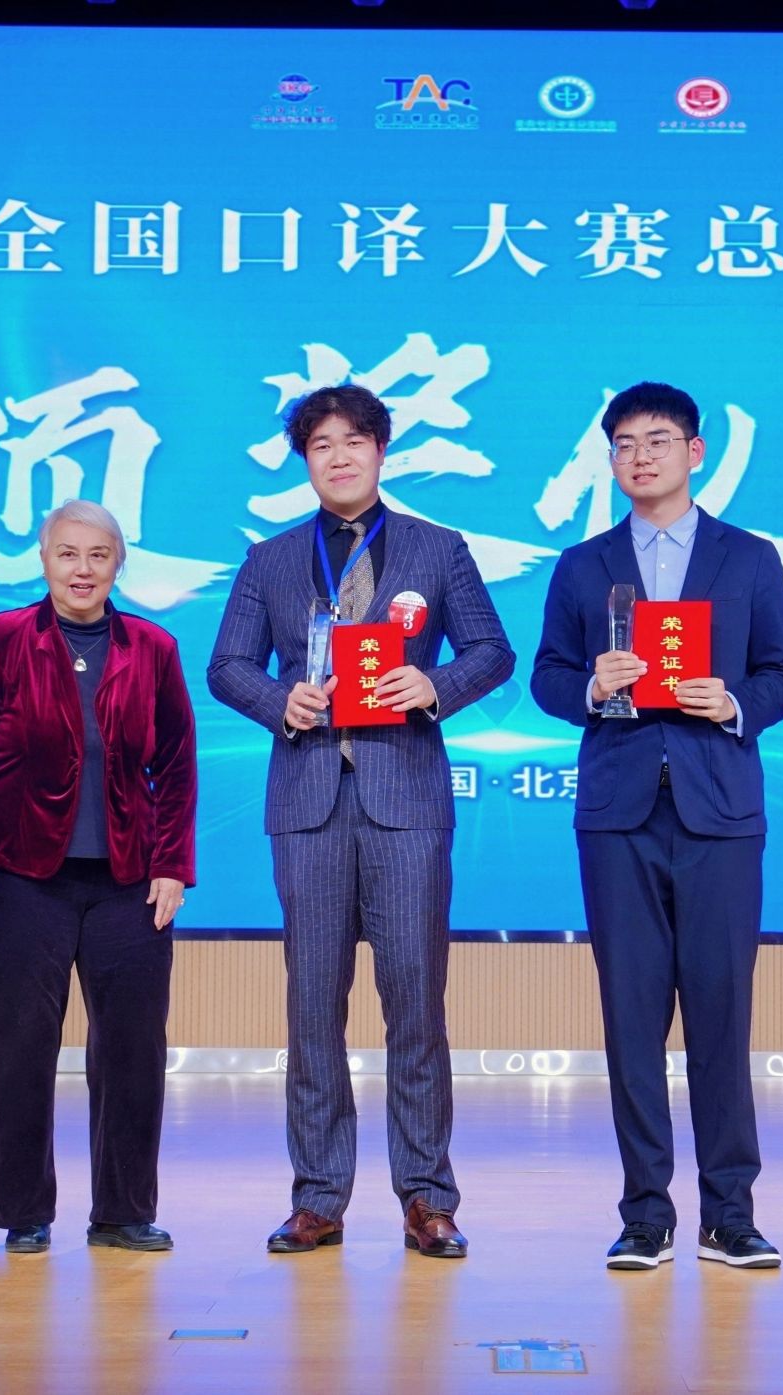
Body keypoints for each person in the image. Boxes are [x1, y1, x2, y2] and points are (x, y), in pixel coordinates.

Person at [207, 384, 514, 1260]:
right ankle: (317, 1197)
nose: (338, 456)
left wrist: (434, 684)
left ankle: (427, 1197)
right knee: (312, 1006)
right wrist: (281, 699)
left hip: (406, 800)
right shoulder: (270, 559)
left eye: (354, 441)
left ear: (381, 450)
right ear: (305, 461)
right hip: (308, 799)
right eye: (321, 445)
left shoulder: (437, 547)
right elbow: (226, 665)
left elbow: (493, 650)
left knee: (414, 1002)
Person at [530, 382, 783, 1271]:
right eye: (624, 444)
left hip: (719, 810)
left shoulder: (748, 557)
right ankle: (646, 1213)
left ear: (695, 451)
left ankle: (730, 1213)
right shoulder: (584, 564)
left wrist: (735, 702)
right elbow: (545, 676)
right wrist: (590, 685)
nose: (640, 457)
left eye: (658, 440)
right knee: (632, 1016)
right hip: (618, 813)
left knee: (723, 1016)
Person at [0, 500, 197, 1255]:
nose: (82, 570)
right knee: (16, 1045)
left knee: (132, 1049)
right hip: (16, 875)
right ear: (45, 559)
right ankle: (23, 1210)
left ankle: (122, 1211)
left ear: (119, 564)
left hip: (129, 880)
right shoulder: (3, 638)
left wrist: (173, 863)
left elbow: (177, 762)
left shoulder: (153, 647)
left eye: (98, 555)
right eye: (67, 554)